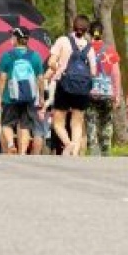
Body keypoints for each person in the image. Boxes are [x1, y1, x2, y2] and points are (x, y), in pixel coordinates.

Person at [45, 14, 98, 156]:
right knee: (77, 122)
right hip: (82, 89)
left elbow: (51, 62)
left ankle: (68, 144)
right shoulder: (90, 48)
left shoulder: (63, 40)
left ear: (73, 26)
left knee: (58, 122)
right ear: (87, 30)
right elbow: (93, 72)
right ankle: (75, 152)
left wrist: (60, 70)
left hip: (64, 85)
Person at [0, 27, 45, 155]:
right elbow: (40, 79)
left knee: (6, 124)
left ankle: (11, 144)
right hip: (29, 97)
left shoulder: (7, 56)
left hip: (10, 96)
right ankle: (23, 153)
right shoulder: (35, 57)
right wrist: (41, 97)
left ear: (16, 39)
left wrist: (0, 97)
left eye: (12, 36)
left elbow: (2, 78)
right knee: (25, 126)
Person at [85, 20, 121, 156]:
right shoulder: (110, 50)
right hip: (107, 92)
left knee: (91, 120)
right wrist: (116, 95)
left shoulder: (86, 49)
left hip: (90, 92)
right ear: (102, 33)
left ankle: (93, 149)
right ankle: (106, 149)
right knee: (107, 121)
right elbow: (116, 73)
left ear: (90, 33)